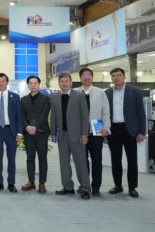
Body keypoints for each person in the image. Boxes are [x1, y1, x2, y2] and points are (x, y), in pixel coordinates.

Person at [105, 67, 146, 198]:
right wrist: (103, 131)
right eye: (114, 76)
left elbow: (141, 113)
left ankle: (132, 187)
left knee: (132, 160)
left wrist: (141, 132)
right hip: (113, 130)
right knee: (115, 160)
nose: (116, 78)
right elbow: (103, 113)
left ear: (124, 76)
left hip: (130, 130)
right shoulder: (107, 93)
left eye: (119, 75)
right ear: (111, 78)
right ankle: (118, 185)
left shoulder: (135, 91)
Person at [50, 72, 91, 200]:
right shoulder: (54, 97)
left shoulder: (79, 95)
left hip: (77, 135)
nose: (64, 83)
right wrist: (53, 132)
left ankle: (85, 188)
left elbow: (85, 116)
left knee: (81, 162)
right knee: (64, 163)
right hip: (62, 135)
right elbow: (53, 117)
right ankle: (67, 187)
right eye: (62, 81)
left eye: (66, 81)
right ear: (59, 83)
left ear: (71, 83)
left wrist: (85, 134)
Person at [75, 67, 110, 196]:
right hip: (79, 131)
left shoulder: (100, 92)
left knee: (97, 160)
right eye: (84, 74)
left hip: (97, 128)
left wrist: (106, 127)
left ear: (92, 77)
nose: (86, 77)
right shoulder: (75, 92)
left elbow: (106, 111)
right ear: (80, 78)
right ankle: (85, 185)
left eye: (89, 74)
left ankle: (96, 187)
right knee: (82, 161)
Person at [0, 73, 23, 192]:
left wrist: (19, 132)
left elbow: (19, 116)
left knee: (11, 159)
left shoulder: (15, 97)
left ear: (7, 82)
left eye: (3, 81)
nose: (1, 83)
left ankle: (11, 183)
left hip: (11, 131)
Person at [20, 76, 51, 194]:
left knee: (42, 158)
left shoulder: (46, 99)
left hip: (41, 132)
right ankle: (31, 181)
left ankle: (42, 183)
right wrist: (26, 127)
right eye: (31, 83)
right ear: (28, 85)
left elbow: (44, 115)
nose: (33, 85)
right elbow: (21, 116)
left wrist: (35, 127)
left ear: (39, 84)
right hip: (28, 133)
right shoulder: (23, 100)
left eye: (35, 83)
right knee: (30, 158)